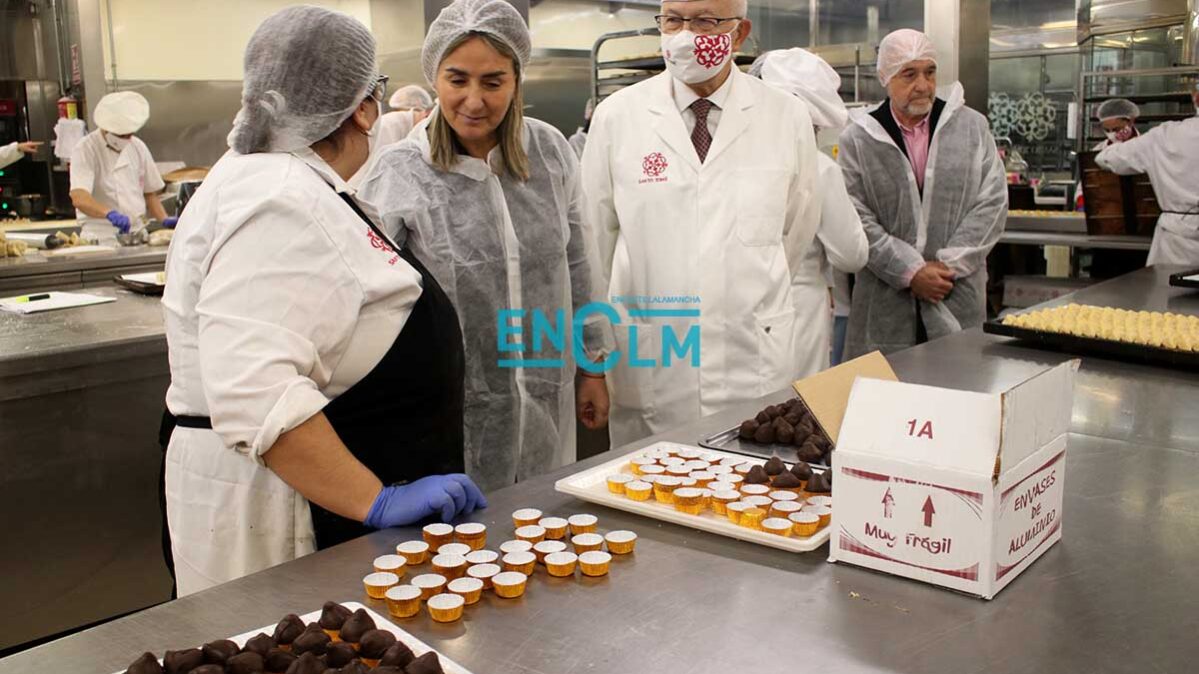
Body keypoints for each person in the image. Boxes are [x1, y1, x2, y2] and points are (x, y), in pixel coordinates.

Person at [161, 6, 484, 596]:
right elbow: (255, 390)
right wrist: (376, 499)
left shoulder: (275, 180)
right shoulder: (279, 198)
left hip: (284, 487)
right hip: (278, 506)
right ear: (362, 108)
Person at [359, 0, 610, 492]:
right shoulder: (400, 170)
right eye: (457, 80)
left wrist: (593, 366)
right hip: (450, 405)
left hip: (547, 394)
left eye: (493, 82)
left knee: (544, 526)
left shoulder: (550, 152)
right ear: (435, 78)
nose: (474, 100)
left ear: (517, 81)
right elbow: (374, 299)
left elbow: (579, 262)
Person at [581, 0, 821, 448]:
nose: (685, 35)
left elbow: (795, 231)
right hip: (653, 361)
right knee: (649, 491)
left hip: (751, 358)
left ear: (740, 32)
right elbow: (593, 247)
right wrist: (591, 361)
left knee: (753, 498)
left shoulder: (785, 117)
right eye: (673, 20)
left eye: (705, 21)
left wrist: (734, 285)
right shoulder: (618, 116)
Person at [839, 29, 1007, 357]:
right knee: (888, 395)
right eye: (909, 74)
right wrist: (910, 270)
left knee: (959, 390)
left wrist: (947, 266)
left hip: (955, 291)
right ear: (886, 77)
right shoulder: (859, 139)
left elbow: (993, 201)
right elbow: (854, 215)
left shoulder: (971, 127)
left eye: (930, 72)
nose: (923, 85)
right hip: (885, 301)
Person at [754, 48, 868, 376]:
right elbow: (852, 254)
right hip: (797, 307)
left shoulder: (731, 163)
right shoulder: (819, 169)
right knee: (789, 412)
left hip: (735, 306)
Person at [1096, 84, 1199, 265]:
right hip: (1175, 238)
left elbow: (1105, 158)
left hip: (1177, 244)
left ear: (1196, 98)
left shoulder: (1164, 136)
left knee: (1170, 290)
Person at [69, 91, 175, 241]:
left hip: (137, 234)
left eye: (129, 135)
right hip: (101, 236)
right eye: (121, 135)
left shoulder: (138, 147)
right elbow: (79, 198)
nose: (126, 139)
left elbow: (150, 193)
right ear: (105, 128)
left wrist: (164, 219)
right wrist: (109, 214)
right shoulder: (86, 149)